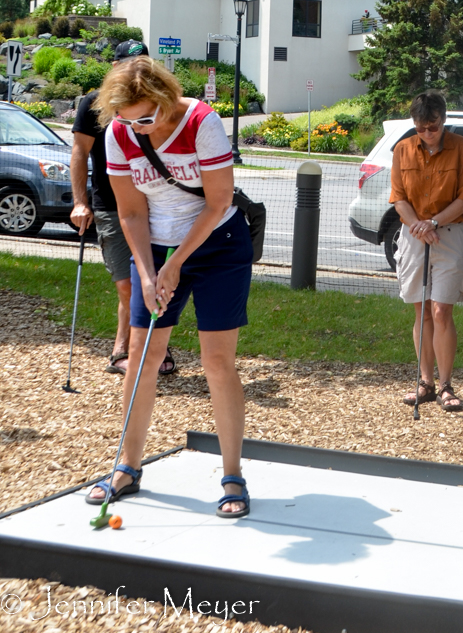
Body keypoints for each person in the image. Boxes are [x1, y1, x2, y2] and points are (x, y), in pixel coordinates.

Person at [85, 56, 253, 518]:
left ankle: (233, 474)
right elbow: (132, 212)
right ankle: (127, 466)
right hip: (155, 249)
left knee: (217, 360)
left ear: (163, 97)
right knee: (142, 357)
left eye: (146, 116)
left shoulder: (202, 121)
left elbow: (218, 200)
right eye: (127, 119)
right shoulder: (119, 134)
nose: (138, 127)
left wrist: (177, 263)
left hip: (217, 244)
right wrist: (145, 270)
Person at [69, 39, 175, 376]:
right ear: (115, 67)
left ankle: (149, 346)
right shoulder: (93, 104)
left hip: (154, 205)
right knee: (128, 283)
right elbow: (79, 153)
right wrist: (79, 203)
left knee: (155, 278)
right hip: (112, 205)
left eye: (142, 62)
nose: (136, 69)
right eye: (129, 62)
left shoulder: (158, 103)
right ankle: (124, 347)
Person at [390, 91, 463, 412]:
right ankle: (425, 382)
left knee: (442, 310)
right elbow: (398, 197)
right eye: (421, 128)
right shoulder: (402, 150)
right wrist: (417, 224)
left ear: (443, 120)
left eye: (433, 126)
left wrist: (433, 222)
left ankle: (445, 384)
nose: (427, 133)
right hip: (415, 235)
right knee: (422, 310)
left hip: (450, 234)